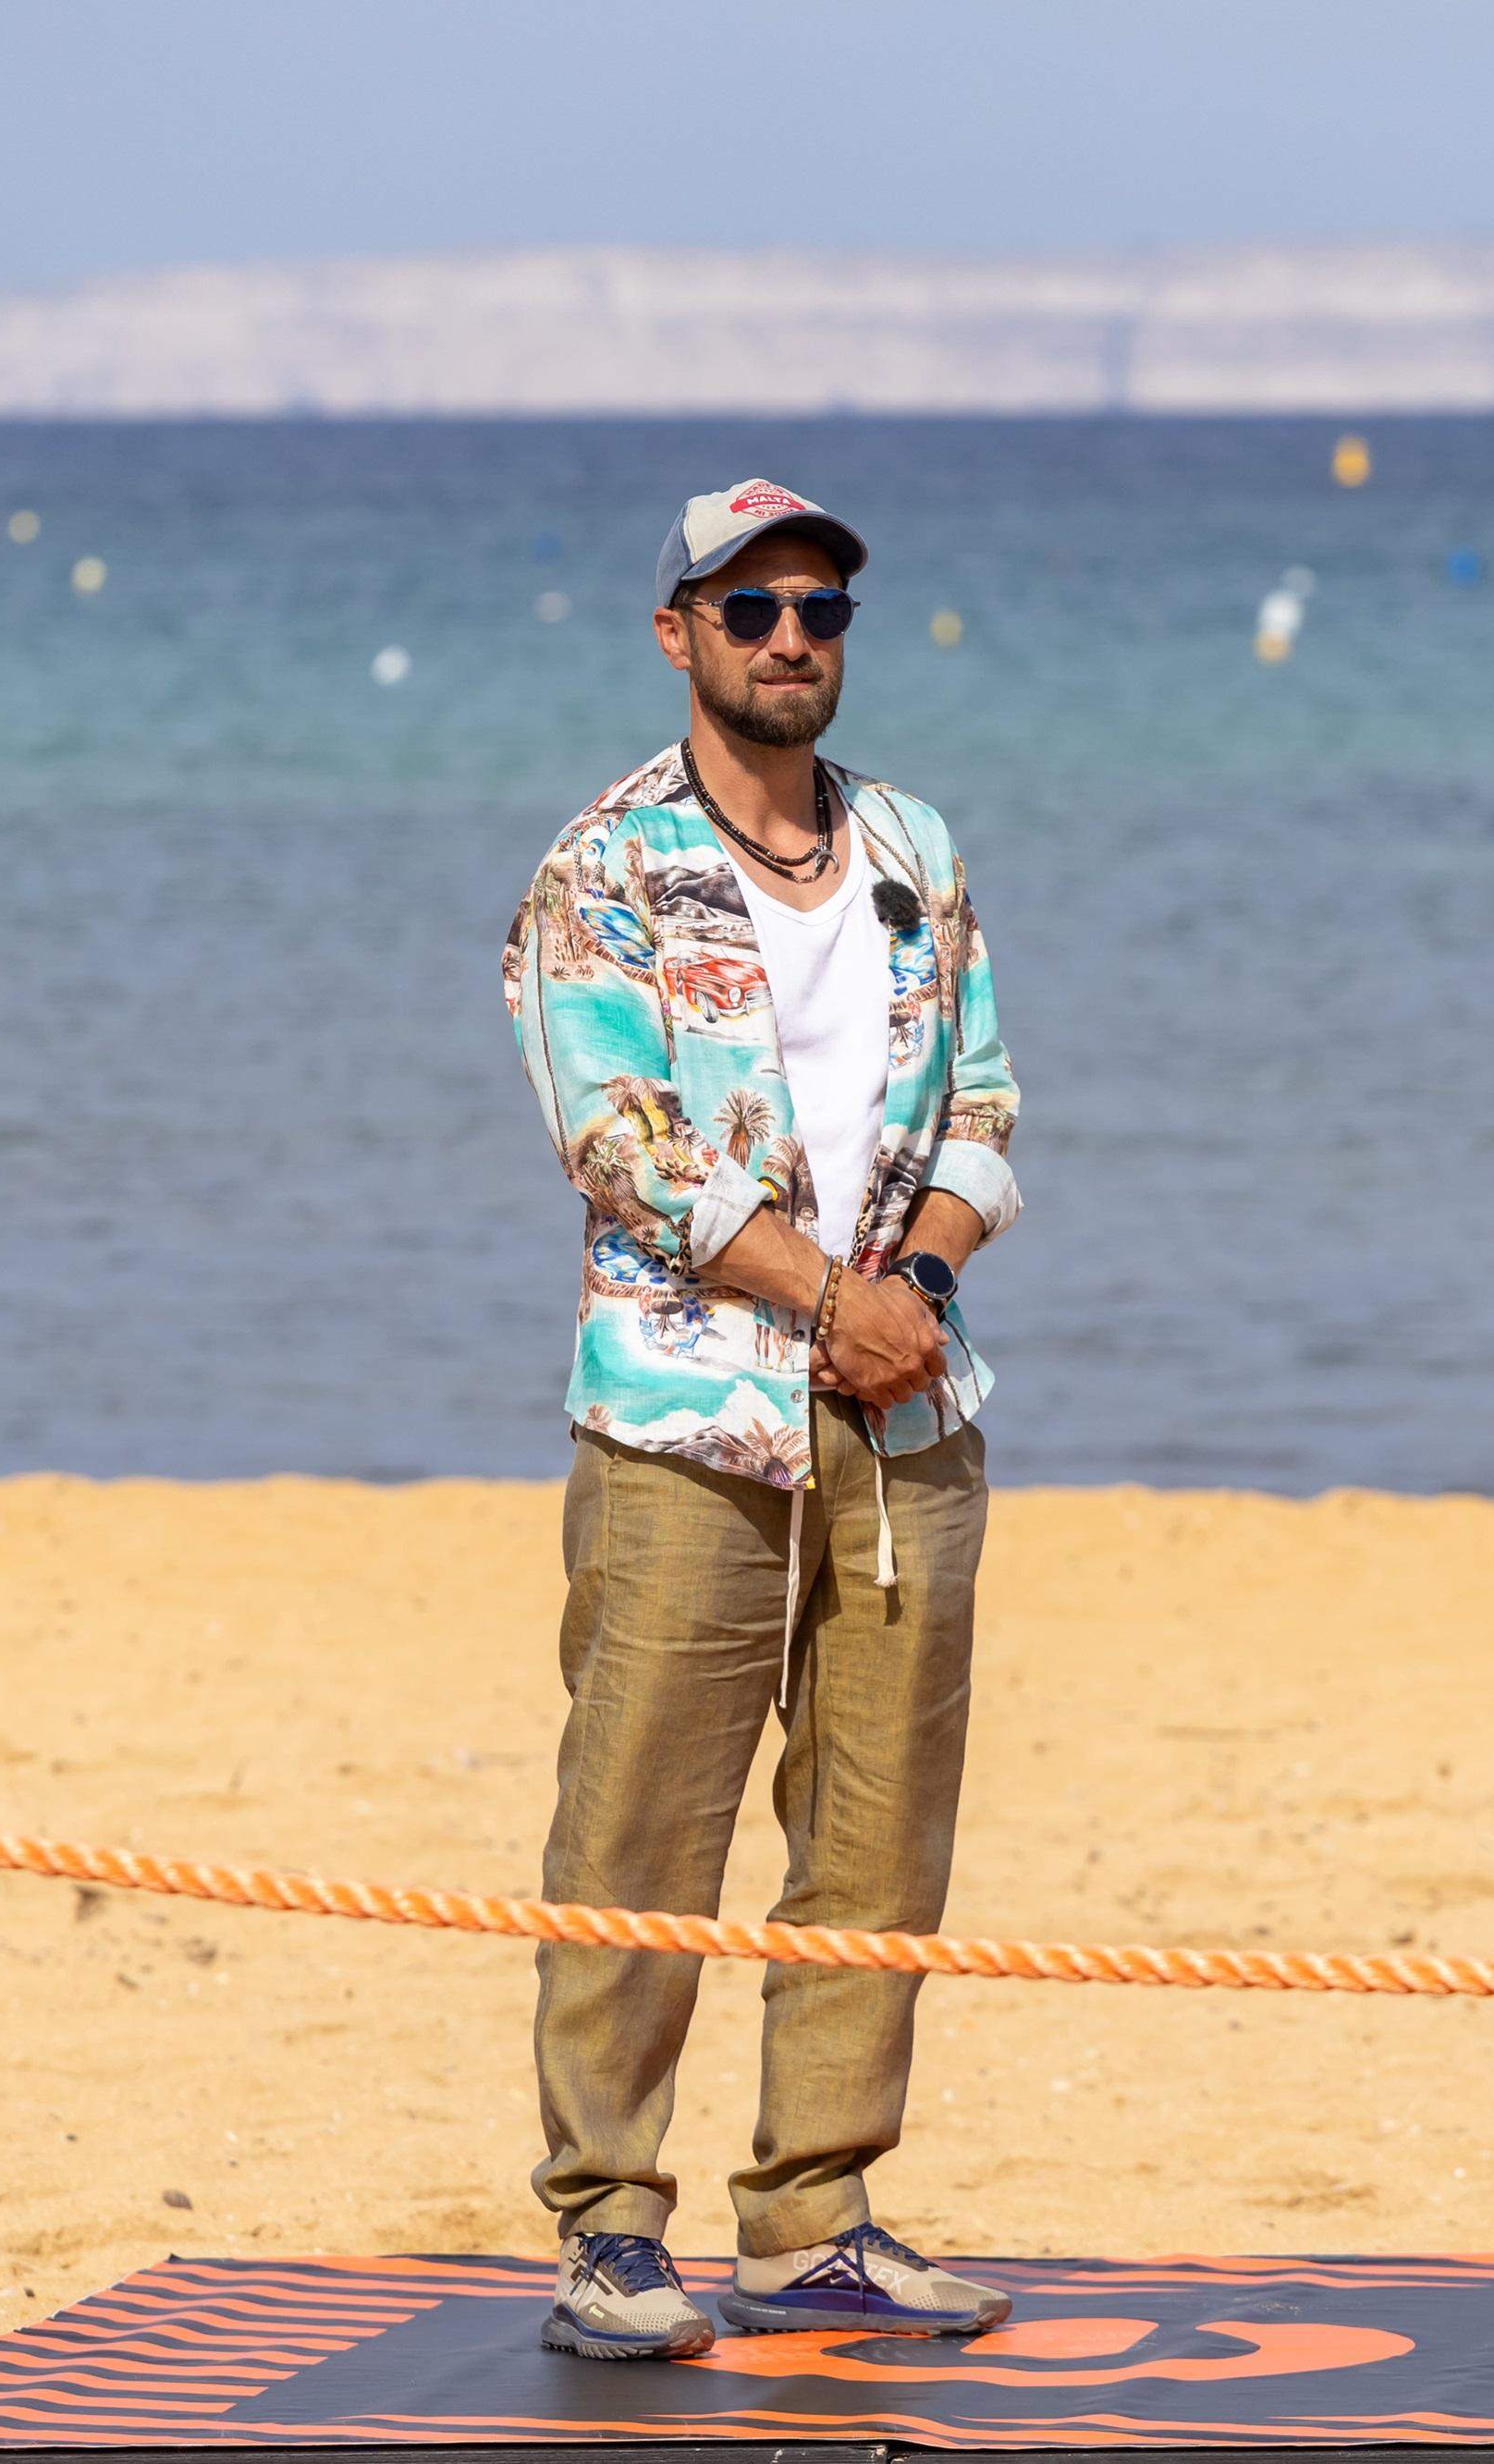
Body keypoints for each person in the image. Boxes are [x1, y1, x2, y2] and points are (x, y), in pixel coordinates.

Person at [501, 481, 1024, 2360]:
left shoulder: (910, 845)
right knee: (640, 1823)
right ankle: (606, 2225)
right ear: (680, 635)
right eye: (751, 608)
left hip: (904, 1414)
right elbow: (621, 1145)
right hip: (687, 1424)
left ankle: (814, 2218)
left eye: (821, 609)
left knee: (877, 1836)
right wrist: (828, 1300)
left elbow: (984, 1106)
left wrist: (917, 1294)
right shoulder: (602, 868)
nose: (791, 636)